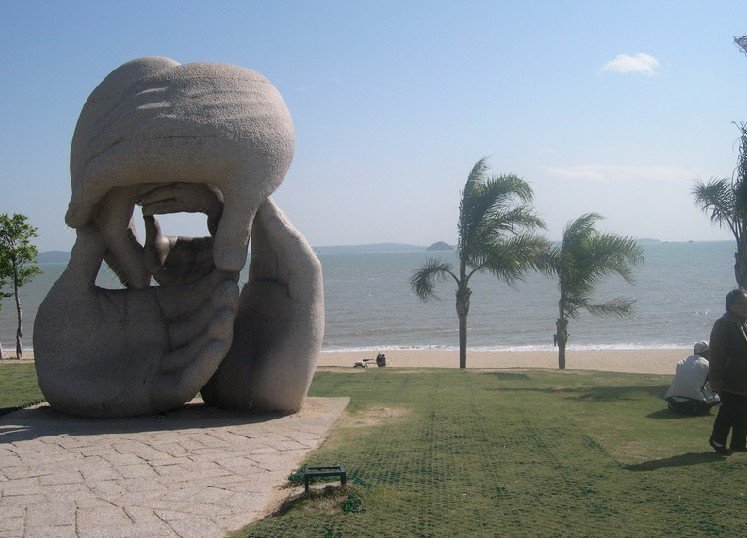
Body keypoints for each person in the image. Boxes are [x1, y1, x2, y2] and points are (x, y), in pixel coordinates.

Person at [708, 289, 747, 453]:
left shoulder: (741, 323)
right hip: (730, 378)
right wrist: (716, 379)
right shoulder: (724, 324)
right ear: (730, 305)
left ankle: (738, 442)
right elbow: (717, 354)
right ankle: (717, 440)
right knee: (728, 411)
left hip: (742, 378)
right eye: (741, 303)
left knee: (743, 411)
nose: (745, 307)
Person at [665, 341, 720, 415]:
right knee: (718, 395)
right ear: (706, 352)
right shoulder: (707, 364)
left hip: (673, 401)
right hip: (691, 404)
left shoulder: (682, 362)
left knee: (700, 387)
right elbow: (714, 383)